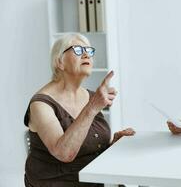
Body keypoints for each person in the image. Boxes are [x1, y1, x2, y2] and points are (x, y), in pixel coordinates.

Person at [24, 33, 135, 187]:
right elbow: (64, 153)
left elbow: (89, 146)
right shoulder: (40, 104)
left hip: (93, 179)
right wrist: (92, 107)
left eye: (89, 51)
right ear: (59, 62)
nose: (85, 54)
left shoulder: (90, 97)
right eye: (77, 49)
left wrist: (113, 144)